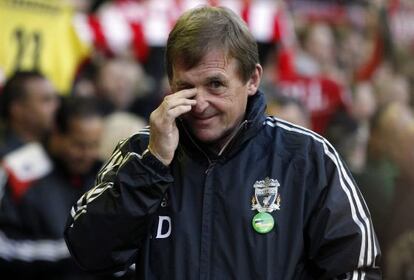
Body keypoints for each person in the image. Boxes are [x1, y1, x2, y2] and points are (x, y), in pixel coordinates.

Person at [65, 6, 381, 279]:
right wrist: (152, 166)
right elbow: (88, 252)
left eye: (215, 84)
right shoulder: (140, 151)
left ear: (253, 80)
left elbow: (356, 267)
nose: (200, 102)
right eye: (186, 87)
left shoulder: (308, 156)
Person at [0, 96, 105, 280]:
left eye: (94, 145)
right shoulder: (17, 172)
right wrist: (73, 253)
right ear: (56, 134)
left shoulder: (104, 172)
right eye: (79, 145)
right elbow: (4, 246)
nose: (88, 154)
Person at [0, 71, 59, 158]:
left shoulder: (60, 153)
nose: (56, 106)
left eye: (56, 98)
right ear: (17, 109)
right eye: (46, 100)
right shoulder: (5, 160)